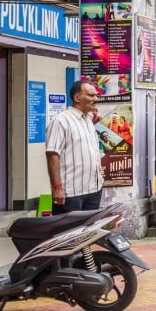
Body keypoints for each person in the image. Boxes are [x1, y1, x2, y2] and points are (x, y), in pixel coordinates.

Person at [45, 81, 104, 214]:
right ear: (77, 98)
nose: (96, 99)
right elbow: (52, 154)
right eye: (91, 95)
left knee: (88, 233)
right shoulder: (61, 121)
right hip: (71, 193)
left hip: (93, 189)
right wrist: (57, 187)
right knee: (68, 233)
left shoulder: (88, 120)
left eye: (96, 95)